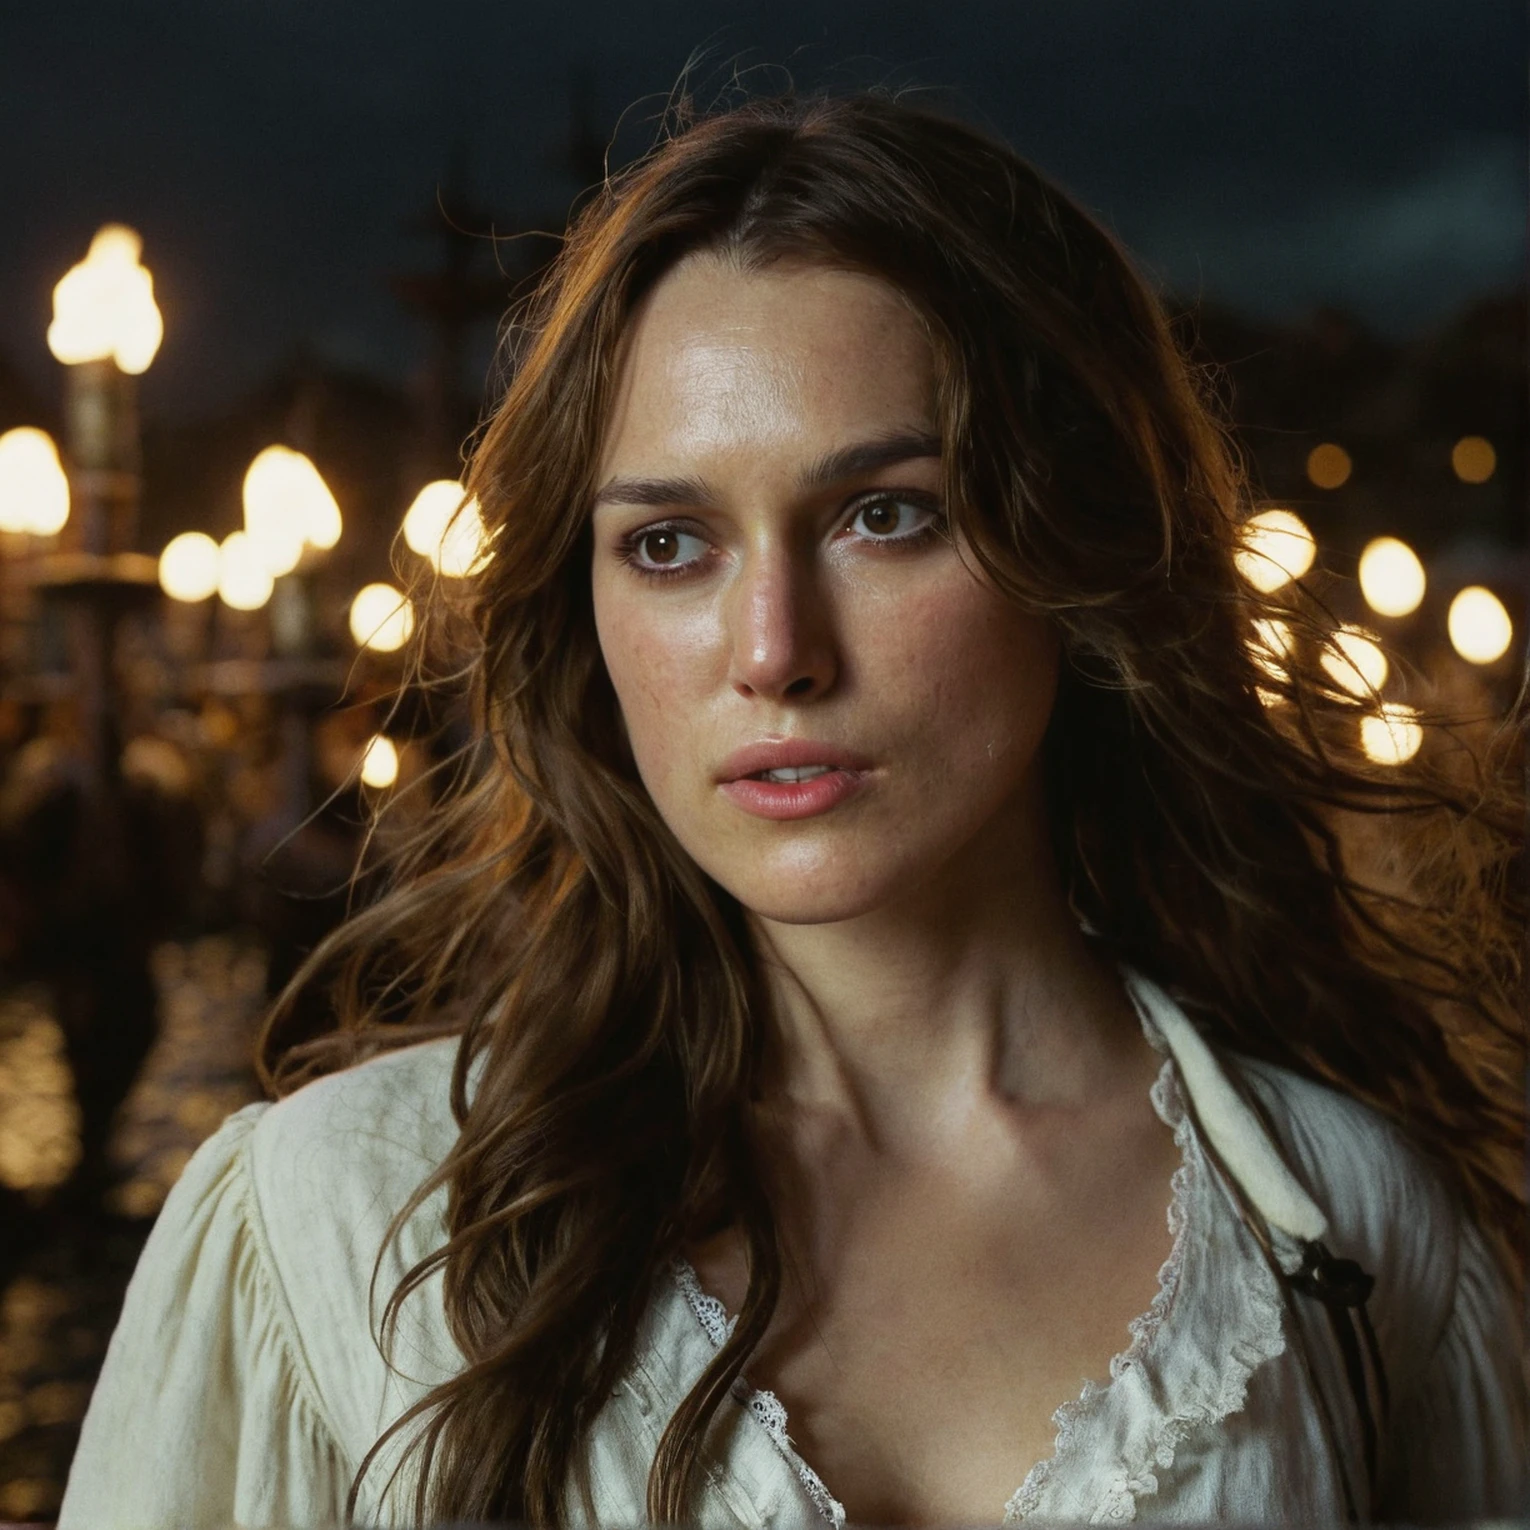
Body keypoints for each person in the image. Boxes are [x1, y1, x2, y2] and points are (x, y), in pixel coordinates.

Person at [60, 91, 1526, 1528]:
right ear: (586, 610)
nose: (772, 648)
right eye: (670, 542)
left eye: (883, 513)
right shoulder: (341, 1215)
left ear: (1076, 551)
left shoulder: (1348, 1228)